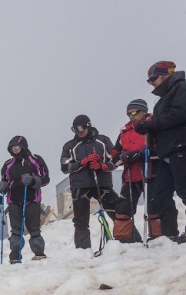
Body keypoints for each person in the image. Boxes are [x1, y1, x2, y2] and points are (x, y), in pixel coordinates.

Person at [60, 115, 132, 249]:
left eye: (81, 128)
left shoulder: (103, 141)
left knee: (118, 211)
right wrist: (83, 162)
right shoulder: (70, 146)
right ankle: (83, 250)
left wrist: (104, 166)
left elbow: (116, 159)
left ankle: (130, 242)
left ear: (88, 125)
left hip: (102, 183)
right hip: (80, 186)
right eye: (74, 129)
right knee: (80, 221)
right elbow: (64, 167)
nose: (78, 131)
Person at [133, 60, 186, 242]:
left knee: (184, 189)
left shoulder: (181, 88)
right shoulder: (163, 99)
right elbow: (163, 122)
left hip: (180, 147)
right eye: (149, 80)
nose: (151, 82)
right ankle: (169, 234)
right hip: (166, 153)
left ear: (166, 75)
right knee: (161, 193)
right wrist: (148, 129)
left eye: (153, 78)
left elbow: (180, 114)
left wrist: (151, 123)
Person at [110, 99, 177, 241]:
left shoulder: (154, 125)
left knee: (154, 206)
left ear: (144, 112)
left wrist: (145, 153)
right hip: (130, 176)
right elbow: (115, 155)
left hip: (151, 173)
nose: (131, 116)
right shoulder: (125, 131)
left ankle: (158, 238)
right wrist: (123, 156)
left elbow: (163, 146)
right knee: (123, 207)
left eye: (134, 112)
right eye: (128, 113)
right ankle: (124, 240)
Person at [0, 136, 51, 262]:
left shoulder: (35, 160)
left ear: (23, 146)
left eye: (17, 147)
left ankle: (39, 252)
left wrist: (33, 180)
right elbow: (4, 180)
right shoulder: (8, 164)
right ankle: (15, 255)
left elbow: (45, 179)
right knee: (16, 229)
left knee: (34, 228)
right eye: (12, 148)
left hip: (32, 198)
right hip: (14, 200)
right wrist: (2, 186)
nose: (15, 150)